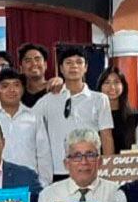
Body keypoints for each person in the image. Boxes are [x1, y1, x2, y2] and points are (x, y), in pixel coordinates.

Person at [34, 47, 115, 181]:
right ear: (61, 68)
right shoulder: (48, 100)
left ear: (86, 67)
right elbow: (27, 120)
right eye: (69, 62)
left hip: (90, 167)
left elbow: (106, 136)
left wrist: (108, 170)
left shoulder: (99, 99)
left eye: (79, 62)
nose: (74, 66)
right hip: (58, 170)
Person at [0, 67, 52, 177]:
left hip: (29, 183)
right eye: (5, 86)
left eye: (16, 85)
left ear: (23, 89)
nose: (11, 90)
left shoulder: (34, 118)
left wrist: (43, 185)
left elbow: (44, 155)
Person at [98, 67, 138, 151]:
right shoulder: (94, 115)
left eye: (116, 82)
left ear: (123, 86)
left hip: (126, 163)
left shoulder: (133, 116)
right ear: (100, 86)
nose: (112, 87)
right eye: (107, 82)